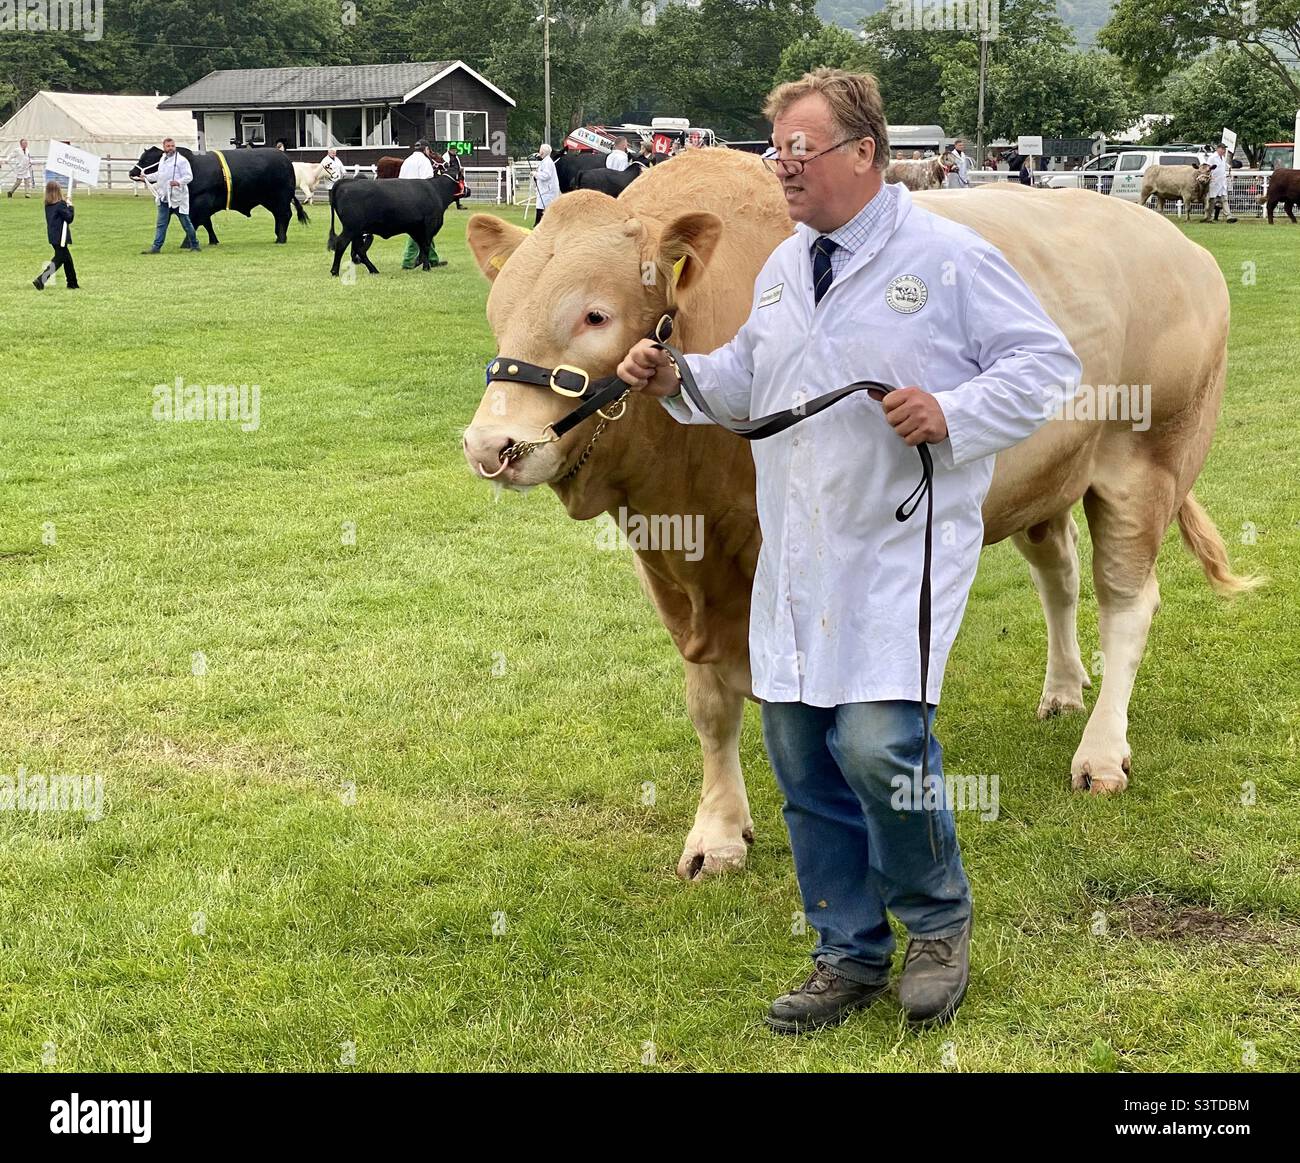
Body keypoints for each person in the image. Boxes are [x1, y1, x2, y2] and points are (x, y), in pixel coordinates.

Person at [615, 67, 1080, 1034]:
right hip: (800, 548)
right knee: (799, 753)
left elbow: (1047, 365)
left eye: (801, 151)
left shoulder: (947, 256)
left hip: (897, 545)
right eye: (774, 150)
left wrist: (951, 410)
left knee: (878, 746)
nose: (781, 168)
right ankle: (848, 951)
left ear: (863, 153)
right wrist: (675, 377)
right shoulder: (789, 266)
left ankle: (938, 924)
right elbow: (747, 382)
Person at [141, 137, 200, 253]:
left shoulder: (181, 161)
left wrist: (178, 182)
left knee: (186, 223)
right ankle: (156, 247)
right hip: (164, 197)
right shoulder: (163, 159)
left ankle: (195, 244)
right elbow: (160, 175)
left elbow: (189, 176)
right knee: (161, 224)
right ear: (164, 147)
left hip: (178, 198)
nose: (171, 148)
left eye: (172, 146)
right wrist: (146, 177)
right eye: (168, 146)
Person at [399, 141, 447, 269]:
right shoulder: (425, 161)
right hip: (420, 200)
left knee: (426, 230)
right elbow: (428, 181)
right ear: (426, 149)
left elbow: (400, 179)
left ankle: (432, 259)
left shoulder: (407, 161)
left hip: (404, 198)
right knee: (418, 230)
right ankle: (408, 261)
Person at [33, 180, 79, 291]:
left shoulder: (48, 205)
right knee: (59, 259)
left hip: (53, 236)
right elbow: (69, 218)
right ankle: (41, 279)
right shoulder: (60, 205)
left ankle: (72, 283)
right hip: (60, 237)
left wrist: (66, 204)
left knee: (67, 259)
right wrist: (70, 207)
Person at [1206, 143, 1237, 223]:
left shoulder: (1223, 158)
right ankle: (1209, 217)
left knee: (1224, 199)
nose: (1224, 151)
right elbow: (1207, 168)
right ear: (1218, 149)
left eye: (1224, 149)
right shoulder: (1212, 158)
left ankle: (1228, 216)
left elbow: (1223, 169)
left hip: (1222, 182)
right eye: (1222, 149)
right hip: (1214, 182)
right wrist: (1210, 176)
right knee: (1212, 200)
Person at [533, 142, 559, 226]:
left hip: (547, 191)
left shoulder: (547, 162)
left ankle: (537, 225)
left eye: (540, 150)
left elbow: (546, 175)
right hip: (545, 190)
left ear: (542, 152)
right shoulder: (545, 161)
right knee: (543, 207)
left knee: (542, 207)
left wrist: (535, 174)